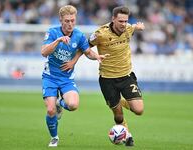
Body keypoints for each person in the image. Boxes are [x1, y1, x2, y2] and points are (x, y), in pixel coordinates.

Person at [63, 6, 145, 146]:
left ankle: (120, 102)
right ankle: (127, 134)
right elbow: (84, 47)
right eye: (120, 21)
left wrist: (138, 26)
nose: (123, 24)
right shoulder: (100, 34)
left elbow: (133, 28)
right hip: (107, 79)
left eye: (126, 21)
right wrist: (73, 61)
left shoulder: (129, 28)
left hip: (126, 76)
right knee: (118, 116)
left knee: (139, 110)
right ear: (113, 19)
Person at [41, 5, 108, 147]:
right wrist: (58, 40)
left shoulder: (78, 35)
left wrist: (97, 56)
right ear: (61, 20)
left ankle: (61, 103)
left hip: (66, 78)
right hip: (50, 77)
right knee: (50, 110)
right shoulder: (52, 32)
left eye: (72, 20)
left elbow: (87, 52)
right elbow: (44, 52)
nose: (70, 23)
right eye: (67, 21)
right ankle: (54, 138)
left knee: (73, 105)